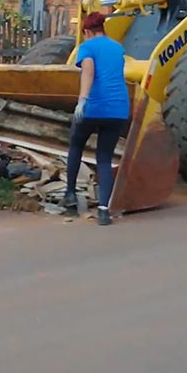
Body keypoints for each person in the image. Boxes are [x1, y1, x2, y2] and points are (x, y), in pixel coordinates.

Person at [60, 12, 130, 226]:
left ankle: (70, 195)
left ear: (87, 31)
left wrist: (82, 100)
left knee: (76, 145)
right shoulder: (118, 48)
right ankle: (103, 211)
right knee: (104, 158)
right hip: (118, 108)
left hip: (95, 106)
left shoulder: (87, 47)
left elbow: (88, 72)